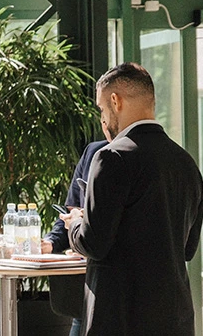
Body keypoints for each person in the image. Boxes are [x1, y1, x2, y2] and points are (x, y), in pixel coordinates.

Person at [64, 62, 203, 335]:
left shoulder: (112, 157)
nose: (102, 119)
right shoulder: (186, 163)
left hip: (120, 318)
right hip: (174, 319)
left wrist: (75, 223)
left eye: (102, 108)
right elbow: (187, 249)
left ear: (115, 101)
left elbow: (94, 243)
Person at [41, 124, 109, 336]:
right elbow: (70, 214)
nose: (104, 121)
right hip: (83, 288)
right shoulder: (92, 152)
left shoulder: (126, 159)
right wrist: (51, 242)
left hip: (112, 286)